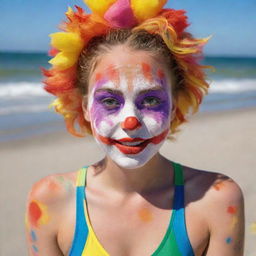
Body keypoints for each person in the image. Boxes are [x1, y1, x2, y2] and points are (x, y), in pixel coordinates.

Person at [25, 1, 245, 255]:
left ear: (174, 106)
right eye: (109, 101)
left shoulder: (215, 200)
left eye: (151, 100)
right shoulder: (51, 201)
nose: (131, 122)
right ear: (85, 107)